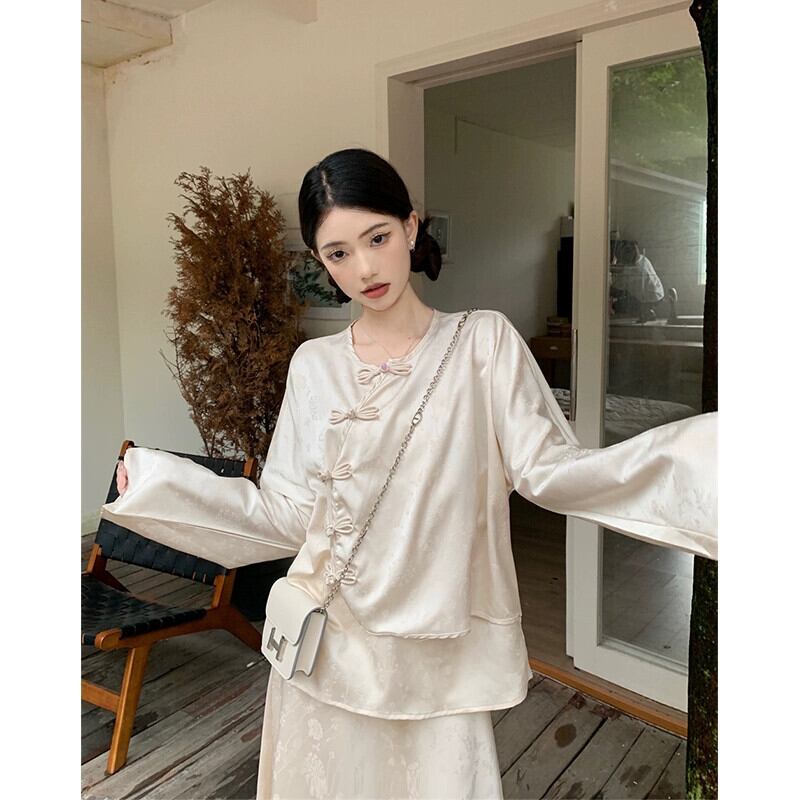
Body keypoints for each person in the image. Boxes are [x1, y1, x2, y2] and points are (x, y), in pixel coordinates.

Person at [103, 148, 717, 799]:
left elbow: (550, 471)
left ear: (411, 226)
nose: (365, 268)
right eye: (338, 253)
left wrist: (704, 460)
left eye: (378, 238)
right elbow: (289, 513)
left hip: (437, 655)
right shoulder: (314, 365)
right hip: (327, 645)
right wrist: (163, 484)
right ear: (320, 261)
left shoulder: (482, 343)